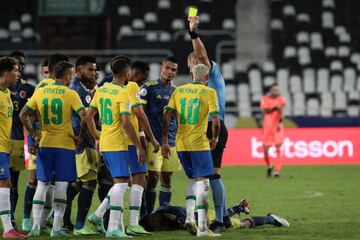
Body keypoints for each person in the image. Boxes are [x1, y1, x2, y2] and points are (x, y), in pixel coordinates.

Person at [20, 61, 86, 237]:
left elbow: (23, 115)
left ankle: (35, 226)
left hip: (45, 143)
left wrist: (34, 134)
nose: (71, 77)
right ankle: (56, 228)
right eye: (70, 74)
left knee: (41, 185)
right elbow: (84, 114)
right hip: (64, 145)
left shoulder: (40, 92)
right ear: (66, 76)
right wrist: (81, 136)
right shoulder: (71, 93)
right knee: (62, 186)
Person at [86, 57, 146, 238]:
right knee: (121, 185)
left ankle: (99, 216)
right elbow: (127, 123)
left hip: (105, 142)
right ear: (126, 73)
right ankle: (112, 228)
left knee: (120, 183)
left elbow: (88, 116)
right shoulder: (122, 93)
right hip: (118, 143)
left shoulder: (101, 90)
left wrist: (97, 135)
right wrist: (138, 146)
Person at [161, 64, 221, 237]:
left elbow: (167, 116)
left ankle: (189, 217)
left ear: (191, 74)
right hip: (198, 144)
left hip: (181, 144)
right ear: (206, 77)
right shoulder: (209, 92)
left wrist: (165, 140)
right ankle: (202, 228)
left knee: (194, 180)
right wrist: (215, 138)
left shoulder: (178, 91)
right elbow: (216, 120)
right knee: (203, 183)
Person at [187, 16, 230, 232]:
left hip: (215, 126)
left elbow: (202, 54)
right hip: (202, 130)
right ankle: (219, 216)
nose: (193, 69)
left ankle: (220, 220)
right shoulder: (196, 87)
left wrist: (193, 33)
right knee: (204, 175)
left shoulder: (210, 72)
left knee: (212, 174)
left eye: (193, 64)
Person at [61, 55, 99, 235]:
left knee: (76, 182)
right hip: (83, 143)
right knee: (90, 182)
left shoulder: (83, 88)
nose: (94, 73)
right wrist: (87, 137)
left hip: (79, 143)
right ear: (79, 71)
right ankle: (80, 226)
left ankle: (63, 218)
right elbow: (84, 118)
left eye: (95, 69)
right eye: (90, 69)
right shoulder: (78, 91)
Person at [140, 56, 181, 214]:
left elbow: (177, 117)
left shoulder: (176, 92)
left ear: (176, 73)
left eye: (173, 70)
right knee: (152, 178)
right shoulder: (148, 88)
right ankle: (147, 214)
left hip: (170, 141)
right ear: (161, 68)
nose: (169, 72)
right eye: (167, 68)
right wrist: (145, 137)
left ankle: (162, 213)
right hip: (153, 141)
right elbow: (140, 114)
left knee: (167, 178)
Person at [0, 57, 28, 239]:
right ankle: (8, 228)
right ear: (6, 72)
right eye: (16, 70)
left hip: (5, 147)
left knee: (6, 183)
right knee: (6, 183)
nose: (19, 74)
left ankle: (8, 228)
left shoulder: (6, 94)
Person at [7, 51, 35, 228]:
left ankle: (10, 218)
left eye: (22, 65)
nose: (20, 68)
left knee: (13, 183)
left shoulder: (29, 89)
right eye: (17, 64)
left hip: (17, 140)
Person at [139, 199, 289, 232]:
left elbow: (180, 211)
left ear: (152, 217)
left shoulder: (165, 211)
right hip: (203, 216)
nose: (157, 225)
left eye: (154, 223)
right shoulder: (162, 223)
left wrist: (182, 219)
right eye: (155, 227)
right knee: (224, 218)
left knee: (241, 224)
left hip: (205, 218)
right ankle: (240, 207)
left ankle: (271, 219)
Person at [22, 57, 48, 232]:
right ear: (41, 73)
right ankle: (26, 218)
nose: (47, 76)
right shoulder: (39, 89)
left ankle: (44, 220)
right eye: (45, 72)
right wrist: (31, 141)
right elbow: (29, 116)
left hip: (54, 142)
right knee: (33, 178)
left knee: (50, 181)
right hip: (37, 141)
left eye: (49, 72)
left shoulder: (62, 89)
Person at [260, 83, 286, 177]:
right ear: (270, 90)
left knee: (278, 148)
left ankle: (277, 171)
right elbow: (265, 111)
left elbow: (282, 112)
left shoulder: (281, 100)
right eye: (274, 90)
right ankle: (269, 165)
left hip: (277, 128)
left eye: (277, 90)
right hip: (267, 128)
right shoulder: (264, 99)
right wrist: (275, 107)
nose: (276, 92)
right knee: (265, 150)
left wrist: (280, 121)